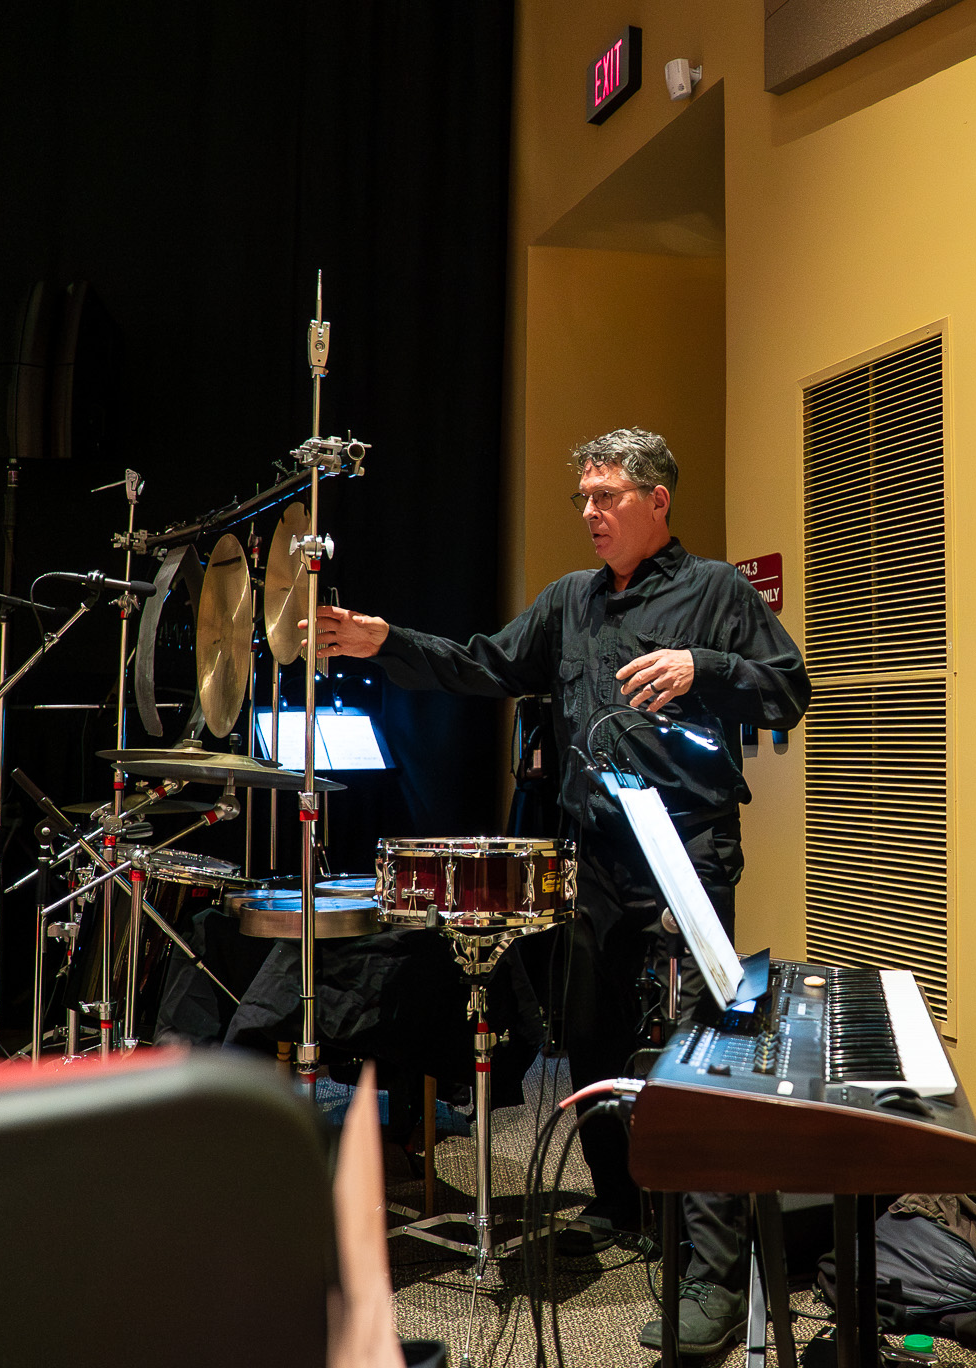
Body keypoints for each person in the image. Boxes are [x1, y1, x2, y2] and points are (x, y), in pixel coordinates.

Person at [309, 427, 810, 1356]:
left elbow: (789, 691)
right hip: (593, 855)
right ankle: (625, 1205)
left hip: (688, 851)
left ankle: (706, 1270)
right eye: (581, 496)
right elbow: (485, 665)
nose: (588, 511)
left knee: (704, 1051)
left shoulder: (720, 593)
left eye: (605, 495)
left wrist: (708, 669)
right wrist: (386, 644)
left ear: (658, 501)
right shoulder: (568, 603)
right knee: (587, 1033)